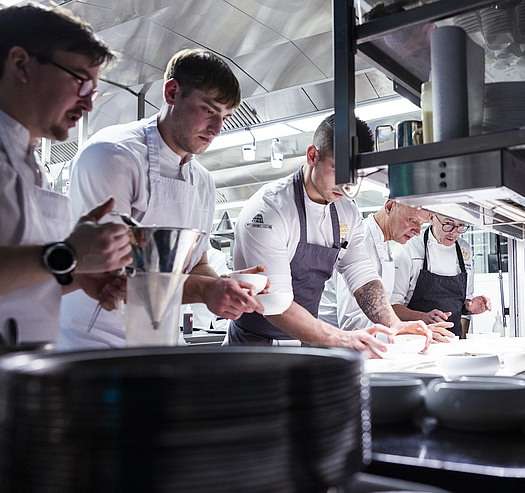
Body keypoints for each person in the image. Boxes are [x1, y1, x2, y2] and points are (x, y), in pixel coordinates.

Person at [58, 48, 264, 350]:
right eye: (208, 110)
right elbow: (113, 278)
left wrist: (225, 283)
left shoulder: (203, 181)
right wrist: (208, 290)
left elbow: (197, 265)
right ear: (171, 92)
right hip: (94, 344)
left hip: (160, 342)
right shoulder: (112, 155)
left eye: (225, 116)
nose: (217, 129)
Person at [229, 114, 429, 353]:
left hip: (306, 345)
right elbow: (275, 304)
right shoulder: (269, 209)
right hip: (253, 348)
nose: (347, 187)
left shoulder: (346, 211)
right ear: (313, 155)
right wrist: (343, 338)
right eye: (339, 171)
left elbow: (361, 274)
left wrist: (394, 324)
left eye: (355, 177)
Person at [0, 4, 134, 344]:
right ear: (20, 64)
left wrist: (75, 274)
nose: (89, 103)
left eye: (94, 90)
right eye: (81, 82)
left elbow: (17, 289)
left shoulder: (30, 165)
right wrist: (66, 255)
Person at [318, 199, 454, 341]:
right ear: (390, 207)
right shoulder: (363, 242)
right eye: (413, 220)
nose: (418, 232)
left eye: (421, 224)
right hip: (333, 347)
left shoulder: (383, 241)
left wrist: (408, 328)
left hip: (365, 343)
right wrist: (408, 334)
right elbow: (353, 324)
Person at [391, 213, 492, 337]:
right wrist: (423, 317)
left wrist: (470, 306)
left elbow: (464, 299)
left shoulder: (464, 249)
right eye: (448, 224)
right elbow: (392, 307)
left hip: (453, 340)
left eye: (460, 226)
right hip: (415, 340)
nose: (454, 232)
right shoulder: (409, 247)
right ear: (432, 219)